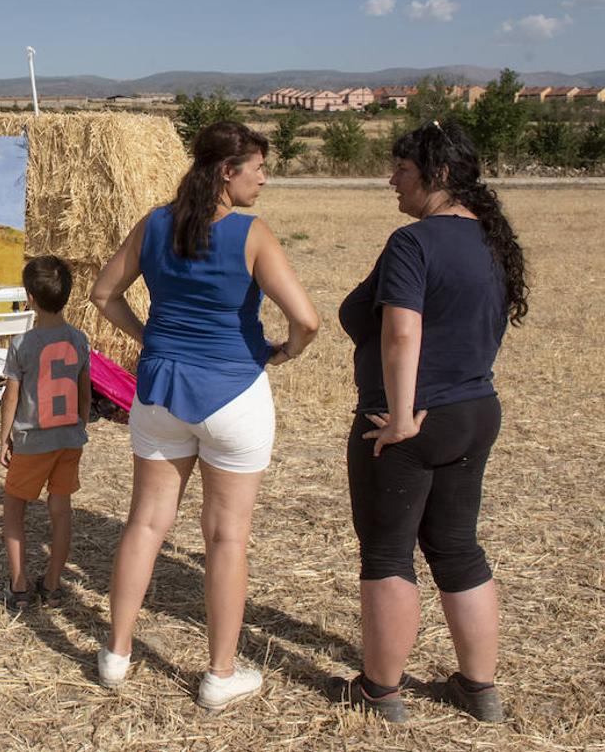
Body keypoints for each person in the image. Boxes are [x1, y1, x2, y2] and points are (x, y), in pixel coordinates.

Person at [89, 121, 319, 709]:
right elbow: (309, 321)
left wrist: (149, 338)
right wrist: (284, 352)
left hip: (159, 391)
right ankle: (219, 674)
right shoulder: (252, 233)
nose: (264, 178)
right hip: (232, 395)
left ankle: (115, 654)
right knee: (225, 539)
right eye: (258, 168)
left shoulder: (155, 222)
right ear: (226, 171)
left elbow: (102, 294)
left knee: (144, 524)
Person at [334, 120, 528, 723]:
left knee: (389, 554)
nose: (392, 180)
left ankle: (380, 691)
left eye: (403, 170)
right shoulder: (493, 239)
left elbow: (401, 330)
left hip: (412, 420)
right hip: (474, 412)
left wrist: (398, 415)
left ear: (438, 176)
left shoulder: (413, 242)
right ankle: (480, 689)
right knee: (458, 549)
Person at [0, 256, 91, 613]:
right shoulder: (79, 339)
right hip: (68, 439)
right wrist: (81, 426)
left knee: (13, 510)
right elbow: (85, 392)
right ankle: (53, 585)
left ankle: (18, 587)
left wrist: (3, 438)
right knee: (61, 512)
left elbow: (11, 397)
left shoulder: (22, 344)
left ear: (29, 297)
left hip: (33, 442)